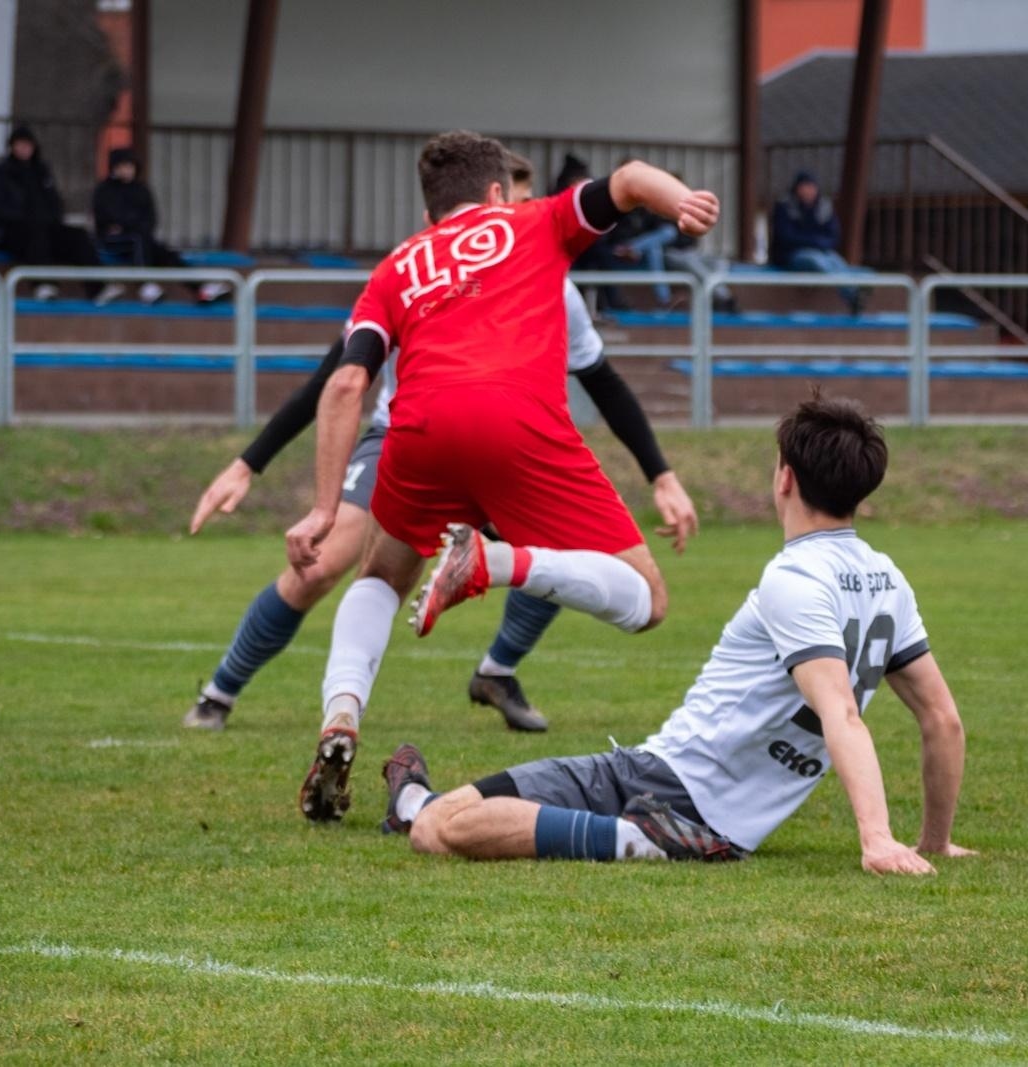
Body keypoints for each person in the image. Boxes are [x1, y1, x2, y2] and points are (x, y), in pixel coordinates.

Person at [286, 131, 719, 823]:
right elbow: (632, 177)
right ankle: (496, 561)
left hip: (419, 431)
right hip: (518, 422)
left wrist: (321, 509)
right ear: (496, 193)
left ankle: (341, 713)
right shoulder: (534, 220)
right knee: (647, 597)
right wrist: (682, 203)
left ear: (429, 213)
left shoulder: (397, 266)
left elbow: (344, 384)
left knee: (381, 576)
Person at [186, 154, 699, 736]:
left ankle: (490, 671)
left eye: (526, 199)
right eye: (515, 198)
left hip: (433, 440)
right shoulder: (471, 251)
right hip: (416, 432)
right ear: (495, 196)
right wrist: (248, 463)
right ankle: (221, 690)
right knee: (324, 567)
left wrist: (660, 474)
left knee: (549, 558)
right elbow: (334, 379)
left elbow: (602, 380)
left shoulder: (481, 270)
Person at [377, 395, 972, 874]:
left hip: (670, 791)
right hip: (666, 783)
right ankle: (412, 799)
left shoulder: (794, 577)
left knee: (440, 831)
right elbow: (941, 718)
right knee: (447, 811)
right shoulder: (887, 579)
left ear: (785, 478)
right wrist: (935, 841)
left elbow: (840, 713)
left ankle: (641, 840)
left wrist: (877, 839)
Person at [0, 126, 119, 305]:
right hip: (12, 232)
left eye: (27, 145)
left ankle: (98, 288)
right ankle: (43, 285)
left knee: (77, 236)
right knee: (35, 233)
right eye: (20, 145)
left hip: (45, 229)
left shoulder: (42, 172)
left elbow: (55, 203)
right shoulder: (1, 174)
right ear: (12, 147)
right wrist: (22, 219)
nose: (24, 149)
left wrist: (52, 219)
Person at [92, 146, 230, 305]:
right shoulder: (104, 190)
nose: (127, 170)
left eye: (130, 165)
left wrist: (127, 225)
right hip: (112, 242)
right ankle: (145, 286)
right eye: (123, 165)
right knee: (138, 239)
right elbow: (107, 218)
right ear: (114, 168)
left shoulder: (141, 189)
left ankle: (201, 288)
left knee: (166, 254)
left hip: (141, 239)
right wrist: (129, 225)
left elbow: (149, 219)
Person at [769, 170, 870, 312]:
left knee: (835, 260)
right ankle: (852, 294)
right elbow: (786, 237)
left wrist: (817, 242)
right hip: (791, 256)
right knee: (816, 260)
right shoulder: (785, 206)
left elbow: (833, 236)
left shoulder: (823, 207)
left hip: (822, 251)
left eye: (811, 186)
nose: (808, 190)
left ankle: (857, 290)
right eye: (805, 186)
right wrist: (814, 241)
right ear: (797, 188)